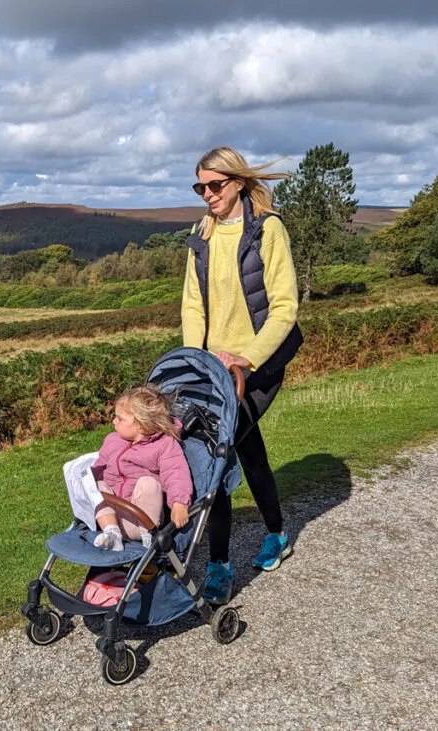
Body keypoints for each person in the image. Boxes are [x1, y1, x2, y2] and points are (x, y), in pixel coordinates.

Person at [181, 146, 303, 605]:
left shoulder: (268, 230)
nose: (208, 194)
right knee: (249, 453)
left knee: (217, 453)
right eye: (201, 187)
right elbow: (193, 303)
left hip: (259, 365)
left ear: (237, 182)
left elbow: (286, 307)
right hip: (214, 369)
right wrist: (196, 360)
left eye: (215, 185)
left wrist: (246, 360)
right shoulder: (202, 234)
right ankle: (276, 533)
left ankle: (218, 565)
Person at [91, 385, 194, 551]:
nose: (113, 422)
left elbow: (175, 473)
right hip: (112, 517)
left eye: (120, 418)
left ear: (141, 425)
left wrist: (179, 503)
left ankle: (149, 539)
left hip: (143, 520)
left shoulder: (164, 444)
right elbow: (99, 466)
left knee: (149, 483)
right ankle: (113, 535)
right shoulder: (113, 440)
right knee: (97, 483)